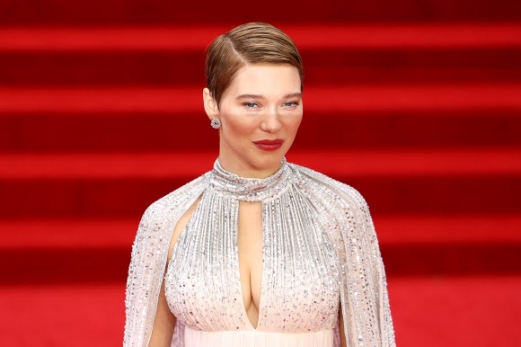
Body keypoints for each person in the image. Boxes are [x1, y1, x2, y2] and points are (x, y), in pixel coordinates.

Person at [124, 22, 396, 347]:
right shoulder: (166, 218)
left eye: (289, 103)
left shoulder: (340, 209)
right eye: (251, 104)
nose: (273, 123)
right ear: (212, 103)